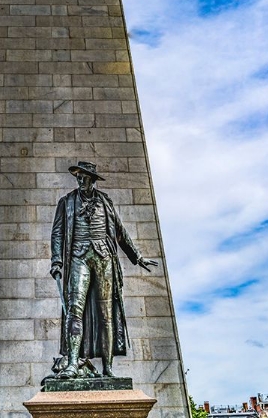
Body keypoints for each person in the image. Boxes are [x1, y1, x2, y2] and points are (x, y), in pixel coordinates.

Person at [50, 161, 158, 379]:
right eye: (78, 177)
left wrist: (136, 256)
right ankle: (72, 363)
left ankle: (108, 369)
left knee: (106, 315)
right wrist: (56, 261)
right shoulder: (66, 202)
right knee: (74, 309)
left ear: (93, 180)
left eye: (85, 177)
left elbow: (119, 231)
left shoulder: (105, 202)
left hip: (104, 258)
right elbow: (57, 233)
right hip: (79, 257)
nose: (81, 181)